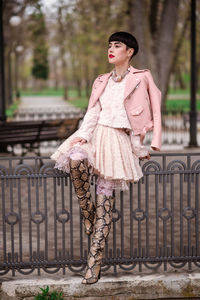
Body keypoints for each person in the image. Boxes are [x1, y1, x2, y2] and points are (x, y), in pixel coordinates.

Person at [51, 31, 162, 284]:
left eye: (117, 45)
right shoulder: (101, 80)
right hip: (95, 136)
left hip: (118, 143)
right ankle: (86, 210)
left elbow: (151, 109)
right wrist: (81, 134)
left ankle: (94, 262)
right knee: (76, 158)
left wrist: (144, 144)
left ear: (129, 51)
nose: (111, 49)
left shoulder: (141, 77)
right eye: (109, 45)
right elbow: (93, 112)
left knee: (105, 203)